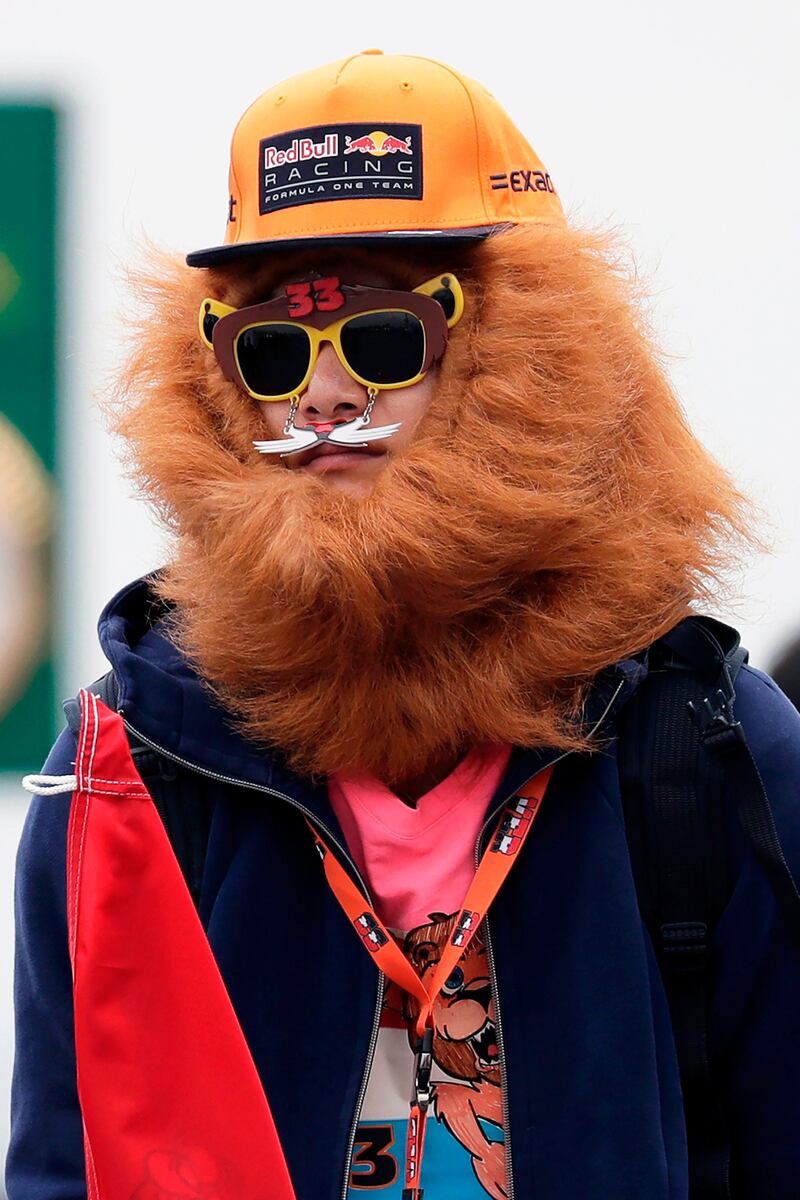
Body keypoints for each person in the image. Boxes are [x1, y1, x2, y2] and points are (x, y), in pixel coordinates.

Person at [7, 49, 800, 1200]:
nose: (324, 395)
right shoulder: (126, 762)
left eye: (381, 340)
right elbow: (59, 1166)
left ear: (521, 350)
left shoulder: (709, 745)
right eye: (270, 353)